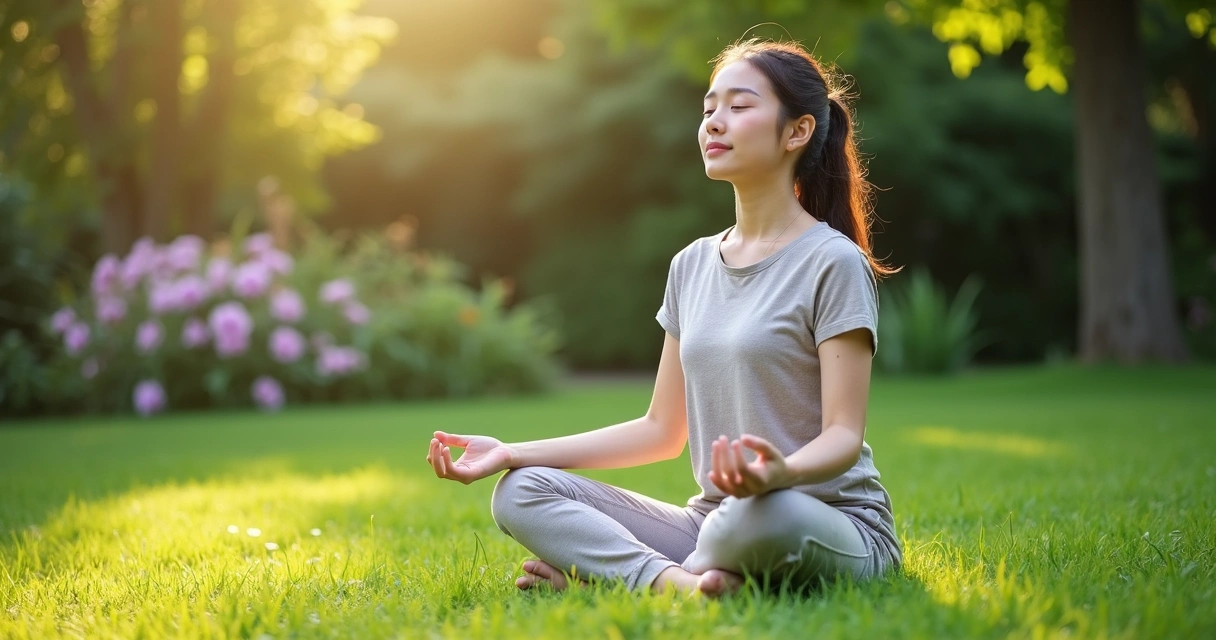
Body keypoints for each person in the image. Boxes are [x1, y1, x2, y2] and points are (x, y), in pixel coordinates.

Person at [424, 37, 902, 598]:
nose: (714, 123)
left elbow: (843, 435)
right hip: (714, 524)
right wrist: (512, 452)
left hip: (824, 522)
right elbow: (660, 430)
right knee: (520, 492)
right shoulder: (691, 265)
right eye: (708, 109)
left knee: (751, 522)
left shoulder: (833, 261)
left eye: (739, 107)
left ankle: (616, 576)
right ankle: (677, 585)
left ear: (797, 131)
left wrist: (781, 476)